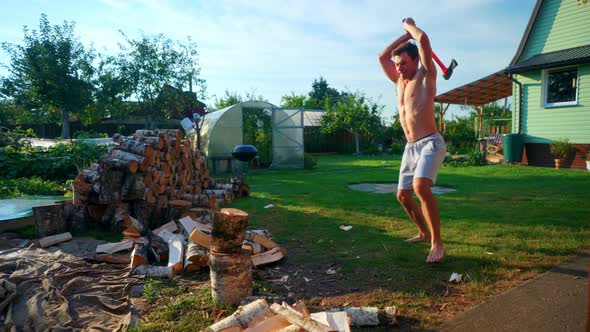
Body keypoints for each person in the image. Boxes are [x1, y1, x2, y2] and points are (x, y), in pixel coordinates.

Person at [378, 18, 447, 263]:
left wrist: (412, 30)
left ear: (415, 60)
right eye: (397, 65)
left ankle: (437, 243)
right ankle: (422, 232)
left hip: (430, 142)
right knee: (403, 195)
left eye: (403, 63)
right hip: (411, 147)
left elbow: (424, 40)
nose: (399, 68)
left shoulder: (426, 75)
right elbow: (382, 57)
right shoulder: (399, 82)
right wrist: (404, 37)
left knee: (420, 188)